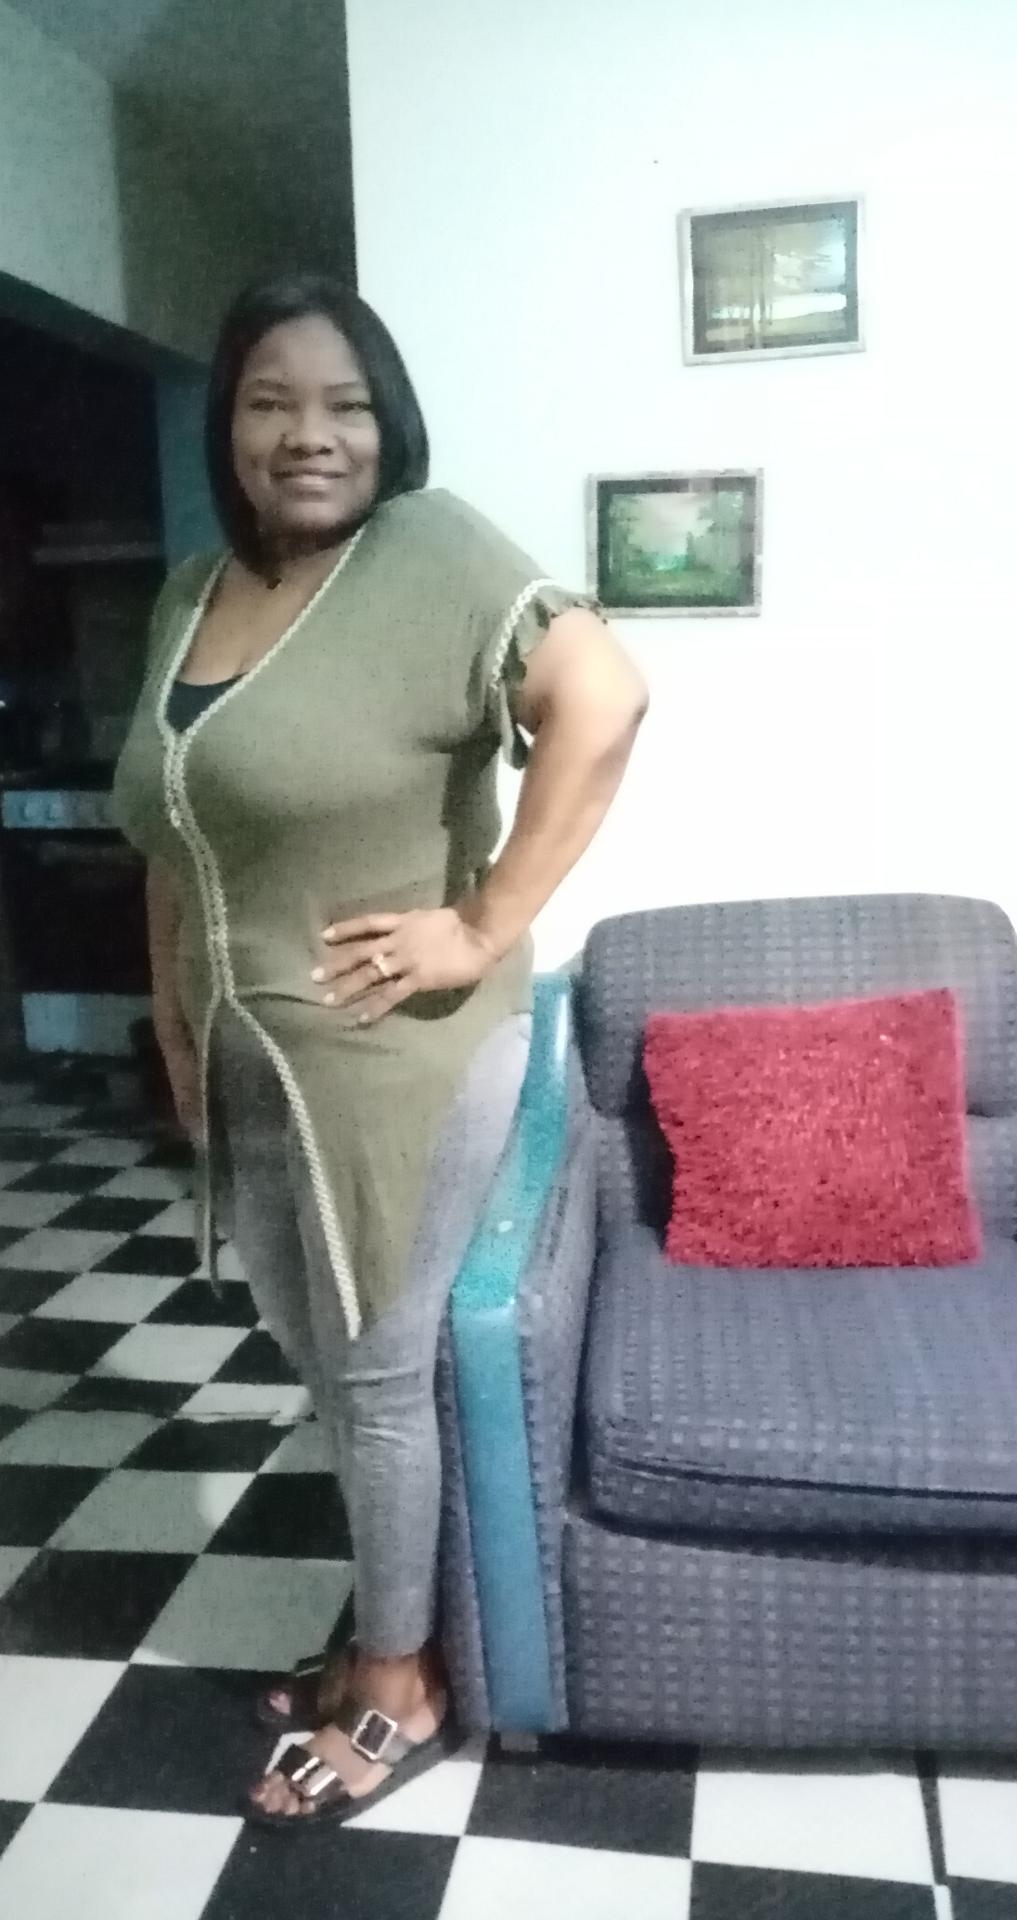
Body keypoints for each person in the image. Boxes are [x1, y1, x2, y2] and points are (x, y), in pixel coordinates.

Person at [113, 273, 647, 1830]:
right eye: (270, 401)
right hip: (249, 1053)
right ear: (228, 424)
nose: (310, 434)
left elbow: (602, 698)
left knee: (379, 1371)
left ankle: (401, 1680)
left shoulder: (431, 551)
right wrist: (172, 1020)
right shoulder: (192, 592)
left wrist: (479, 925)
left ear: (388, 421)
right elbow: (173, 833)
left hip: (392, 1054)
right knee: (326, 1364)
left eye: (345, 404)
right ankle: (392, 1617)